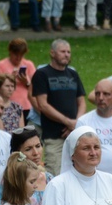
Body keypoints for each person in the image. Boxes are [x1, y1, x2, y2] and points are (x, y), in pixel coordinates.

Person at [30, 39, 86, 177]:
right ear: (52, 53)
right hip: (54, 136)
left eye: (68, 52)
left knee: (78, 174)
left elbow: (82, 102)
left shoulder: (73, 74)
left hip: (74, 135)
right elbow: (43, 105)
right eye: (63, 51)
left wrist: (75, 124)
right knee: (54, 174)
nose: (66, 55)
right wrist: (68, 122)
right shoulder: (42, 74)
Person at [0, 38, 36, 118]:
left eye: (21, 55)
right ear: (10, 52)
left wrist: (26, 82)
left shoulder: (29, 64)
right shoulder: (1, 65)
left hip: (27, 105)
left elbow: (37, 88)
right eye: (16, 54)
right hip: (7, 105)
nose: (18, 58)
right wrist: (11, 78)